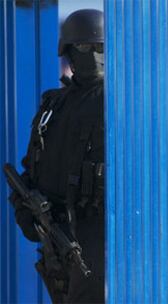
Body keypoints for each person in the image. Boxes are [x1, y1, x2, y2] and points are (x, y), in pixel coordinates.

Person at [8, 9, 105, 303]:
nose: (95, 55)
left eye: (102, 47)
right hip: (56, 241)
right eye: (87, 47)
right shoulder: (52, 106)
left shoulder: (116, 103)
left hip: (97, 244)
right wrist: (24, 210)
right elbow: (30, 169)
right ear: (69, 51)